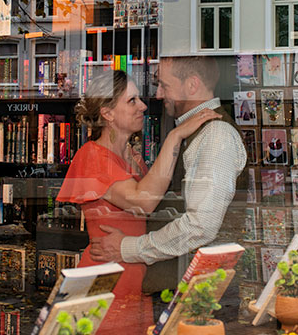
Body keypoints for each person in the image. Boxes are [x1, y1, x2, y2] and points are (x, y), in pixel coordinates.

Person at [56, 69, 218, 335]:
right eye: (132, 101)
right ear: (107, 113)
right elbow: (144, 202)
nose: (143, 105)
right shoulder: (93, 157)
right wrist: (176, 136)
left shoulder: (128, 155)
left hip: (131, 274)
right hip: (107, 279)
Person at [92, 56, 247, 288]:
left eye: (164, 85)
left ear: (192, 85)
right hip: (185, 287)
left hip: (201, 295)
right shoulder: (196, 132)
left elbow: (200, 225)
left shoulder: (216, 135)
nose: (158, 95)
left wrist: (130, 248)